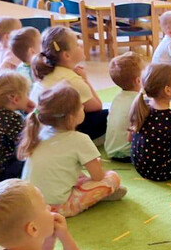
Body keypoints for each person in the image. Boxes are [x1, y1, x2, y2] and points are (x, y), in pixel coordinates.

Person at [19, 83, 125, 216]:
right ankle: (101, 195)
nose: (83, 107)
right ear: (71, 117)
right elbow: (98, 176)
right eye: (81, 106)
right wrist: (97, 163)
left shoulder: (39, 133)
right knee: (112, 177)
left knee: (75, 171)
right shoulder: (80, 139)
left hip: (30, 203)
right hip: (57, 207)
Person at [31, 26, 107, 141]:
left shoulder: (46, 72)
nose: (81, 45)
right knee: (107, 115)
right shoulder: (72, 79)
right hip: (59, 132)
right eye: (77, 44)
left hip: (41, 130)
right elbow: (96, 106)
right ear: (66, 55)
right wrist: (85, 79)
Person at [129, 63, 171, 182]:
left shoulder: (142, 109)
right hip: (163, 171)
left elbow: (130, 138)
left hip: (141, 167)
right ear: (167, 90)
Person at [104, 52, 145, 162]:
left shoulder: (117, 98)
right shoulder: (139, 101)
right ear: (138, 80)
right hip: (129, 153)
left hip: (111, 150)